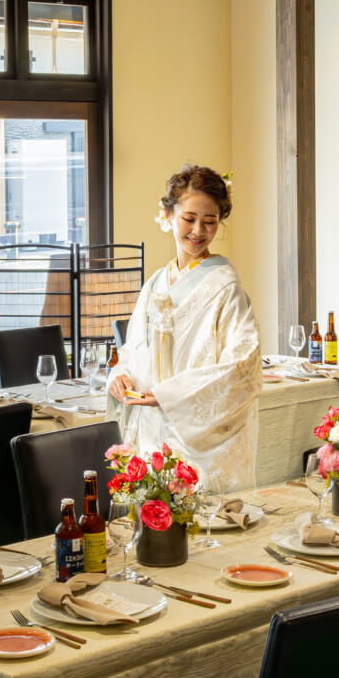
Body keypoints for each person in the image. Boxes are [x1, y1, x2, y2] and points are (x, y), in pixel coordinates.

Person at [107, 164, 261, 490]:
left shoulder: (225, 286)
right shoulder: (155, 283)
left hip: (196, 441)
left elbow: (242, 368)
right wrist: (120, 375)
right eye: (189, 219)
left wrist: (169, 395)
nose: (198, 231)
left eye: (210, 221)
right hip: (150, 429)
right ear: (167, 215)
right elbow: (134, 350)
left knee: (196, 513)